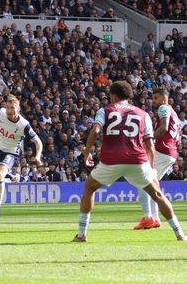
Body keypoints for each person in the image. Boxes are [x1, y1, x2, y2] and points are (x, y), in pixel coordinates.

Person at [73, 81, 184, 242]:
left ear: (113, 95)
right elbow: (149, 144)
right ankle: (179, 233)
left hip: (111, 160)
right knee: (158, 194)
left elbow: (96, 130)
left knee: (90, 188)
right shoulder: (143, 114)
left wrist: (87, 153)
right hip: (137, 160)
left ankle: (82, 234)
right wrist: (151, 167)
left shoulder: (105, 110)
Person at [134, 88, 180, 229]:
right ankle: (155, 219)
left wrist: (149, 139)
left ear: (164, 98)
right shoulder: (173, 111)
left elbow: (164, 127)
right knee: (152, 185)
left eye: (156, 98)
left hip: (162, 150)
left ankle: (148, 218)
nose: (153, 101)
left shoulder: (163, 108)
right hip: (170, 152)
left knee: (143, 180)